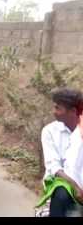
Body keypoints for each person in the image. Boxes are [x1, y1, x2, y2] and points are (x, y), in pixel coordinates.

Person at [36, 88, 83, 216]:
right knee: (61, 195)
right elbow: (54, 167)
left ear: (73, 111)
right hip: (61, 181)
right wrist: (76, 187)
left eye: (58, 108)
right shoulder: (49, 131)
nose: (54, 112)